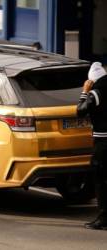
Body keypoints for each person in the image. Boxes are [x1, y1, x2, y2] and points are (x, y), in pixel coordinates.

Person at [77, 62, 107, 230]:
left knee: (101, 181)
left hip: (102, 144)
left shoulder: (96, 93)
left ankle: (103, 218)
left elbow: (80, 110)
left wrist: (84, 92)